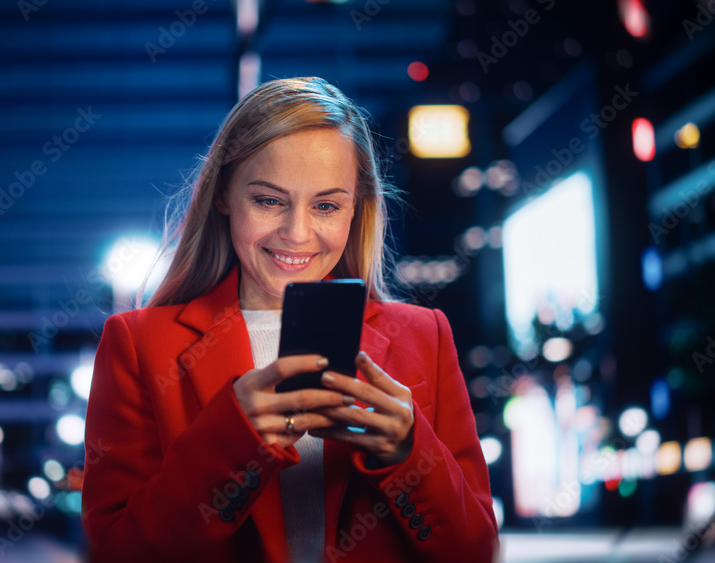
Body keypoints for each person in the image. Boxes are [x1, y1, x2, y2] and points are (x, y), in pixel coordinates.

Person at [81, 77, 497, 562]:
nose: (297, 233)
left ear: (355, 210)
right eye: (269, 201)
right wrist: (232, 439)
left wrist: (409, 454)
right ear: (223, 197)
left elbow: (475, 551)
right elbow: (117, 551)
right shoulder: (138, 343)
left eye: (325, 205)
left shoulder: (426, 336)